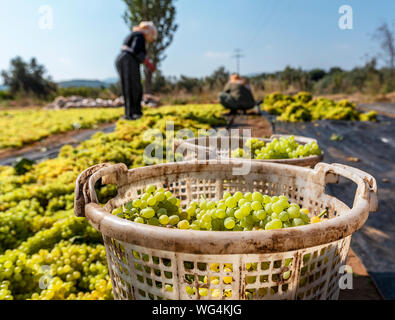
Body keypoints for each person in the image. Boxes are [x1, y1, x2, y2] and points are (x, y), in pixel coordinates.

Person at [116, 21, 157, 120]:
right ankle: (130, 115)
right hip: (127, 61)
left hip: (127, 60)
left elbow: (130, 49)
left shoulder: (136, 35)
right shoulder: (139, 35)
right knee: (131, 88)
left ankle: (135, 112)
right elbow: (135, 50)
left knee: (136, 87)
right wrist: (147, 62)